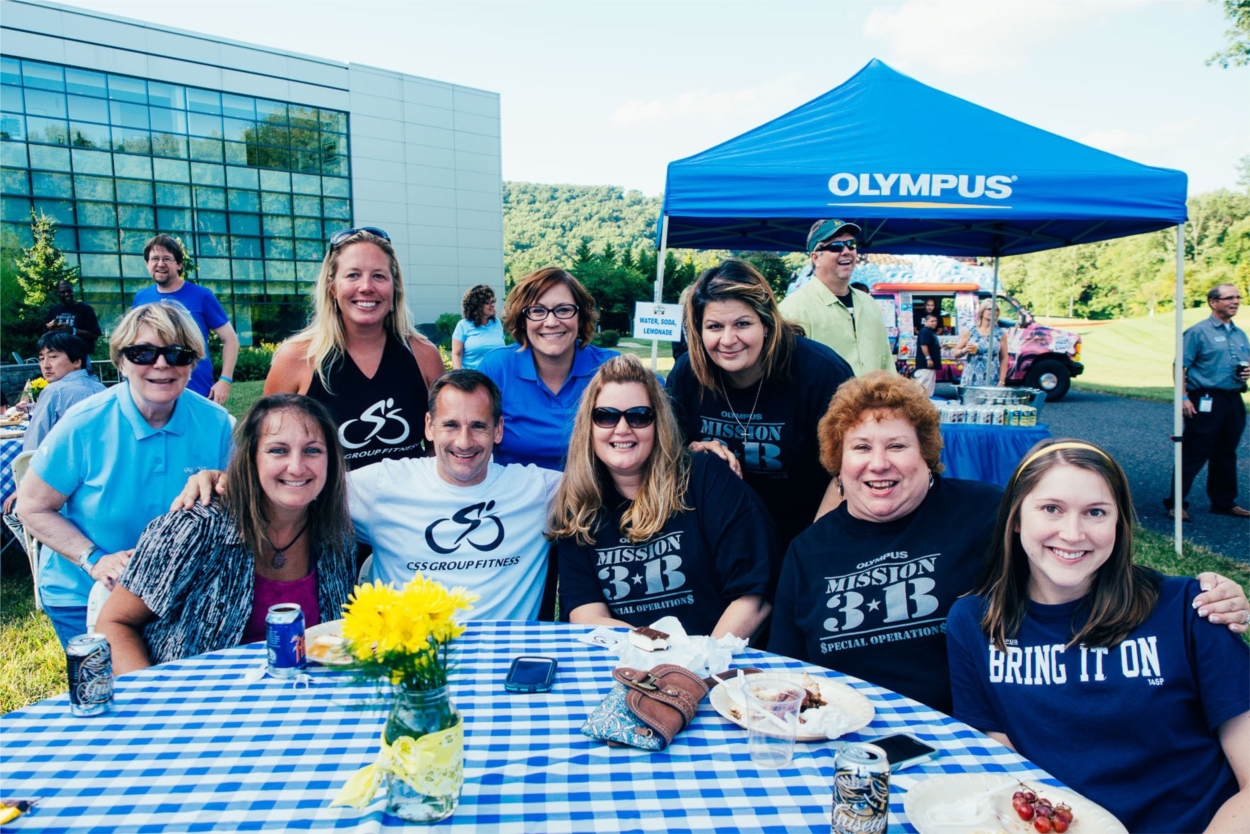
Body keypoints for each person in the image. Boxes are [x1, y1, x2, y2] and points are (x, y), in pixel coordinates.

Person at [768, 372, 1250, 715]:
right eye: (861, 447)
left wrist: (1200, 594)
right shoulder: (808, 551)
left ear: (926, 455)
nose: (879, 463)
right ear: (838, 459)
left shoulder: (987, 511)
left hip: (969, 731)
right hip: (842, 734)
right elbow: (788, 671)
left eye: (897, 446)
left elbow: (1077, 554)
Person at [947, 440, 1248, 832]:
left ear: (1119, 521)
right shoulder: (976, 622)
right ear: (1016, 517)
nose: (1072, 533)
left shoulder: (1191, 608)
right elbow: (1005, 770)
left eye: (1095, 512)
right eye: (1051, 508)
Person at [177, 371, 563, 622]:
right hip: (405, 662)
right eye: (450, 425)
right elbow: (297, 483)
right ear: (428, 427)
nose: (463, 441)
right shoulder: (383, 484)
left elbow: (611, 483)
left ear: (498, 430)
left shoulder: (538, 490)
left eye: (478, 426)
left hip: (505, 661)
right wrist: (223, 478)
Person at [17, 302, 233, 648]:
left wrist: (225, 480)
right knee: (111, 692)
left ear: (193, 363)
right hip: (85, 590)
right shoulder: (84, 422)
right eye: (142, 353)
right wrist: (94, 559)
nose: (161, 364)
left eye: (177, 353)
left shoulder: (217, 423)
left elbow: (252, 498)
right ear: (120, 361)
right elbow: (31, 507)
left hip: (175, 589)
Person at [96, 395, 356, 674]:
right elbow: (114, 622)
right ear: (251, 458)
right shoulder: (196, 528)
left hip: (301, 696)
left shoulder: (336, 537)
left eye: (313, 451)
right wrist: (149, 699)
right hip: (192, 701)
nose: (296, 466)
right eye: (278, 450)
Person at [552, 355, 776, 639]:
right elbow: (586, 613)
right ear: (589, 426)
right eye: (606, 416)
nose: (622, 429)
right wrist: (657, 657)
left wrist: (698, 664)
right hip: (631, 665)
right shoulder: (580, 506)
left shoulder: (706, 479)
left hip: (717, 664)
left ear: (659, 422)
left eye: (639, 416)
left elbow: (754, 596)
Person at [665, 259, 854, 554]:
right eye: (714, 326)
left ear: (766, 323)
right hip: (720, 535)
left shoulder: (821, 373)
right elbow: (666, 455)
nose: (728, 340)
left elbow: (851, 468)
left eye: (742, 323)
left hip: (808, 529)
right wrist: (693, 449)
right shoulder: (687, 375)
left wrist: (812, 551)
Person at [265, 227, 444, 470]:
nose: (366, 287)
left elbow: (440, 446)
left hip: (407, 506)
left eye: (379, 276)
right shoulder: (297, 358)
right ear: (332, 288)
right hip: (329, 508)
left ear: (395, 288)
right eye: (353, 275)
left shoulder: (424, 355)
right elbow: (266, 447)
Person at [478, 267, 617, 470]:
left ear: (580, 316)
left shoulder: (610, 369)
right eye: (537, 311)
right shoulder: (497, 369)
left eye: (563, 310)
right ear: (522, 319)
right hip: (518, 499)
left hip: (596, 499)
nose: (551, 322)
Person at [1164, 283, 1250, 521]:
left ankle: (1223, 502)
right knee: (1195, 451)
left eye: (1238, 297)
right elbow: (1180, 365)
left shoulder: (1239, 333)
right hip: (1204, 399)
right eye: (1229, 298)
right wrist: (1183, 397)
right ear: (1214, 302)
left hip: (1233, 399)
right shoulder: (1197, 332)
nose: (1235, 302)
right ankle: (1176, 503)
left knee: (1226, 452)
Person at [133, 235, 239, 405]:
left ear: (179, 264)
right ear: (147, 264)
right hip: (154, 391)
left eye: (167, 259)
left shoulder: (202, 296)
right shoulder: (141, 298)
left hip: (197, 390)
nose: (160, 264)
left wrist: (225, 380)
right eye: (155, 259)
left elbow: (230, 339)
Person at [778, 219, 893, 376]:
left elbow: (886, 363)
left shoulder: (869, 303)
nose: (846, 251)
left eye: (851, 244)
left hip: (874, 400)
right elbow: (785, 374)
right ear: (815, 258)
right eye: (836, 247)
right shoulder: (793, 309)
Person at [22, 331, 106, 453]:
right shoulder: (101, 389)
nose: (45, 365)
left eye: (53, 357)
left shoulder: (54, 391)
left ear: (77, 361)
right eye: (41, 358)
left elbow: (33, 446)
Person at [954, 298, 1009, 387]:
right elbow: (955, 353)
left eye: (996, 310)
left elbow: (1004, 358)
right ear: (982, 312)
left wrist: (1002, 380)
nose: (994, 312)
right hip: (971, 377)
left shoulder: (1000, 333)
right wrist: (965, 350)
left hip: (992, 376)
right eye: (990, 309)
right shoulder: (971, 331)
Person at [451, 284, 505, 370]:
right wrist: (458, 378)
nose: (492, 305)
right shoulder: (463, 325)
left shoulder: (497, 323)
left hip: (496, 378)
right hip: (472, 379)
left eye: (493, 301)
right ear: (477, 306)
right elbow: (457, 354)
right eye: (488, 303)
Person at [44, 279, 101, 351]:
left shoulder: (85, 309)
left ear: (73, 291)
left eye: (69, 291)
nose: (67, 294)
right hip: (59, 353)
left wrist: (73, 330)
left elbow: (95, 334)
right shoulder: (53, 310)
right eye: (63, 292)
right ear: (57, 293)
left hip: (80, 354)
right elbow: (46, 333)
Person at [914, 312, 941, 397]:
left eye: (935, 321)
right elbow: (924, 345)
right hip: (925, 365)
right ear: (925, 321)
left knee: (928, 387)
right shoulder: (924, 331)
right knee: (922, 386)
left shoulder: (931, 332)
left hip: (930, 366)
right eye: (932, 321)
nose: (934, 323)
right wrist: (928, 358)